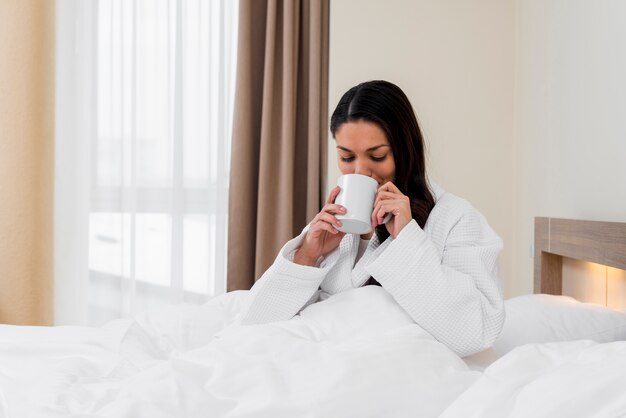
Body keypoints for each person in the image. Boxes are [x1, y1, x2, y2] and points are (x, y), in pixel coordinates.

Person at [239, 80, 504, 357]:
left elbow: (475, 331)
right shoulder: (332, 228)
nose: (361, 171)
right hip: (322, 360)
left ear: (405, 150)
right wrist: (306, 256)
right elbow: (253, 322)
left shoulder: (455, 218)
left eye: (377, 156)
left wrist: (407, 241)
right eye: (346, 156)